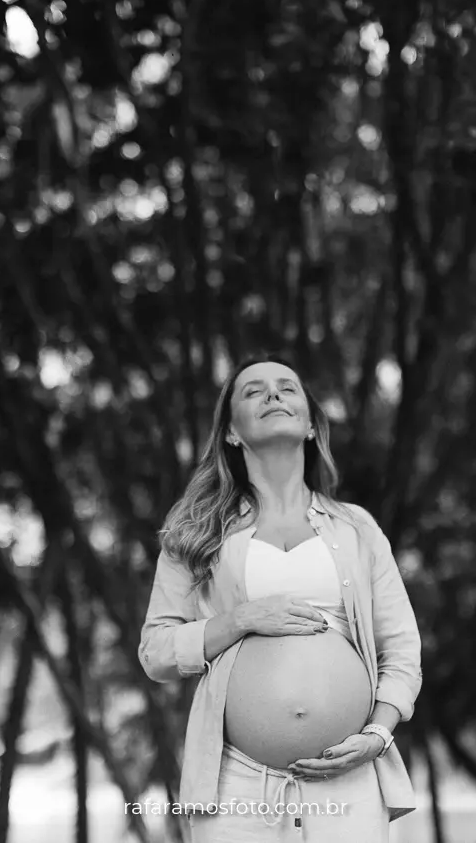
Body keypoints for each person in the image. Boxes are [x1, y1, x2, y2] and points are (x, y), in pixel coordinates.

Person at [139, 354, 422, 841]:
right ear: (232, 432)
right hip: (235, 783)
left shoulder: (357, 528)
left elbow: (401, 649)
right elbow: (156, 652)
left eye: (287, 388)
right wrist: (240, 620)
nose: (273, 394)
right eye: (253, 391)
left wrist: (377, 734)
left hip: (348, 778)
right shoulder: (198, 530)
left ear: (310, 424)